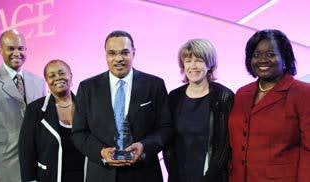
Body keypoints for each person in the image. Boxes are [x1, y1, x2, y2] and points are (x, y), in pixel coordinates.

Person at [71, 30, 171, 182]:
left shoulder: (154, 85)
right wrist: (101, 152)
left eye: (124, 52)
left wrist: (144, 146)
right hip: (101, 174)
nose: (118, 58)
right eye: (112, 53)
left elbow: (166, 128)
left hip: (144, 173)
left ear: (134, 53)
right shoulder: (87, 88)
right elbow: (78, 133)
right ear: (106, 55)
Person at [229, 29, 310, 182]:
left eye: (271, 54)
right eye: (256, 55)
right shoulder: (241, 94)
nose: (263, 60)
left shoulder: (303, 93)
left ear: (285, 57)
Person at [163, 39, 234, 182]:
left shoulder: (224, 97)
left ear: (210, 64)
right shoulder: (174, 97)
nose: (193, 66)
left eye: (199, 60)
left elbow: (224, 146)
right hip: (179, 176)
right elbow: (167, 141)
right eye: (188, 61)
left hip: (212, 177)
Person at [0, 29, 46, 182]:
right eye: (10, 48)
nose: (16, 53)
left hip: (36, 162)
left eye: (20, 48)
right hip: (4, 163)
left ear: (26, 49)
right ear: (0, 50)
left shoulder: (38, 81)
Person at [19, 60, 85, 182]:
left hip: (85, 176)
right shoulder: (35, 110)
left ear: (70, 75)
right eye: (52, 76)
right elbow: (26, 152)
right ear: (47, 81)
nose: (58, 78)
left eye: (61, 73)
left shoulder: (86, 106)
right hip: (51, 177)